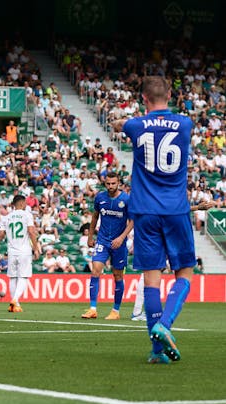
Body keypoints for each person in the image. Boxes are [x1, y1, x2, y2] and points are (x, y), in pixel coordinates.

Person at [112, 76, 194, 364]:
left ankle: (157, 352)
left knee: (151, 281)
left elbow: (120, 124)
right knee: (184, 273)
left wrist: (119, 122)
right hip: (176, 209)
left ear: (143, 98)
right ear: (170, 95)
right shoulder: (185, 124)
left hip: (144, 211)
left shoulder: (135, 125)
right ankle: (165, 325)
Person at [80, 172, 133, 321]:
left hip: (119, 243)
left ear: (118, 184)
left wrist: (122, 238)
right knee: (95, 270)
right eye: (108, 184)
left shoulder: (126, 199)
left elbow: (132, 221)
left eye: (113, 184)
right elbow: (95, 216)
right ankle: (92, 309)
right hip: (102, 240)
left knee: (117, 276)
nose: (110, 186)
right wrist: (90, 236)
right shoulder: (100, 197)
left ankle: (115, 310)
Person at [0, 195, 40, 313]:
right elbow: (31, 231)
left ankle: (15, 304)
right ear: (22, 203)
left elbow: (0, 234)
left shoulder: (6, 217)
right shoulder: (27, 215)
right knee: (23, 276)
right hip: (24, 250)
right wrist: (36, 248)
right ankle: (15, 299)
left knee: (13, 277)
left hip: (11, 251)